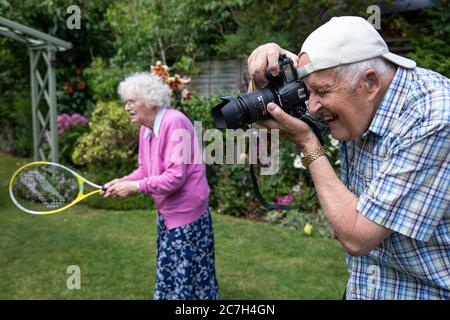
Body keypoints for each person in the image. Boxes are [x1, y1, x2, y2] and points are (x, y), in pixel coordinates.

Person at [248, 16, 449, 299]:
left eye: (321, 91)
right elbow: (266, 110)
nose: (313, 107)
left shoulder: (434, 118)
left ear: (370, 82)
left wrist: (308, 144)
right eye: (308, 91)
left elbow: (358, 236)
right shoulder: (354, 99)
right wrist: (263, 71)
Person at [102, 72, 219, 300]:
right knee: (172, 275)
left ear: (150, 100)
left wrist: (135, 187)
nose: (127, 107)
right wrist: (122, 182)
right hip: (168, 214)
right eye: (125, 102)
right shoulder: (146, 129)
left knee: (187, 279)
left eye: (131, 101)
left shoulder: (174, 122)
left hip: (187, 216)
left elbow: (175, 177)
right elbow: (145, 170)